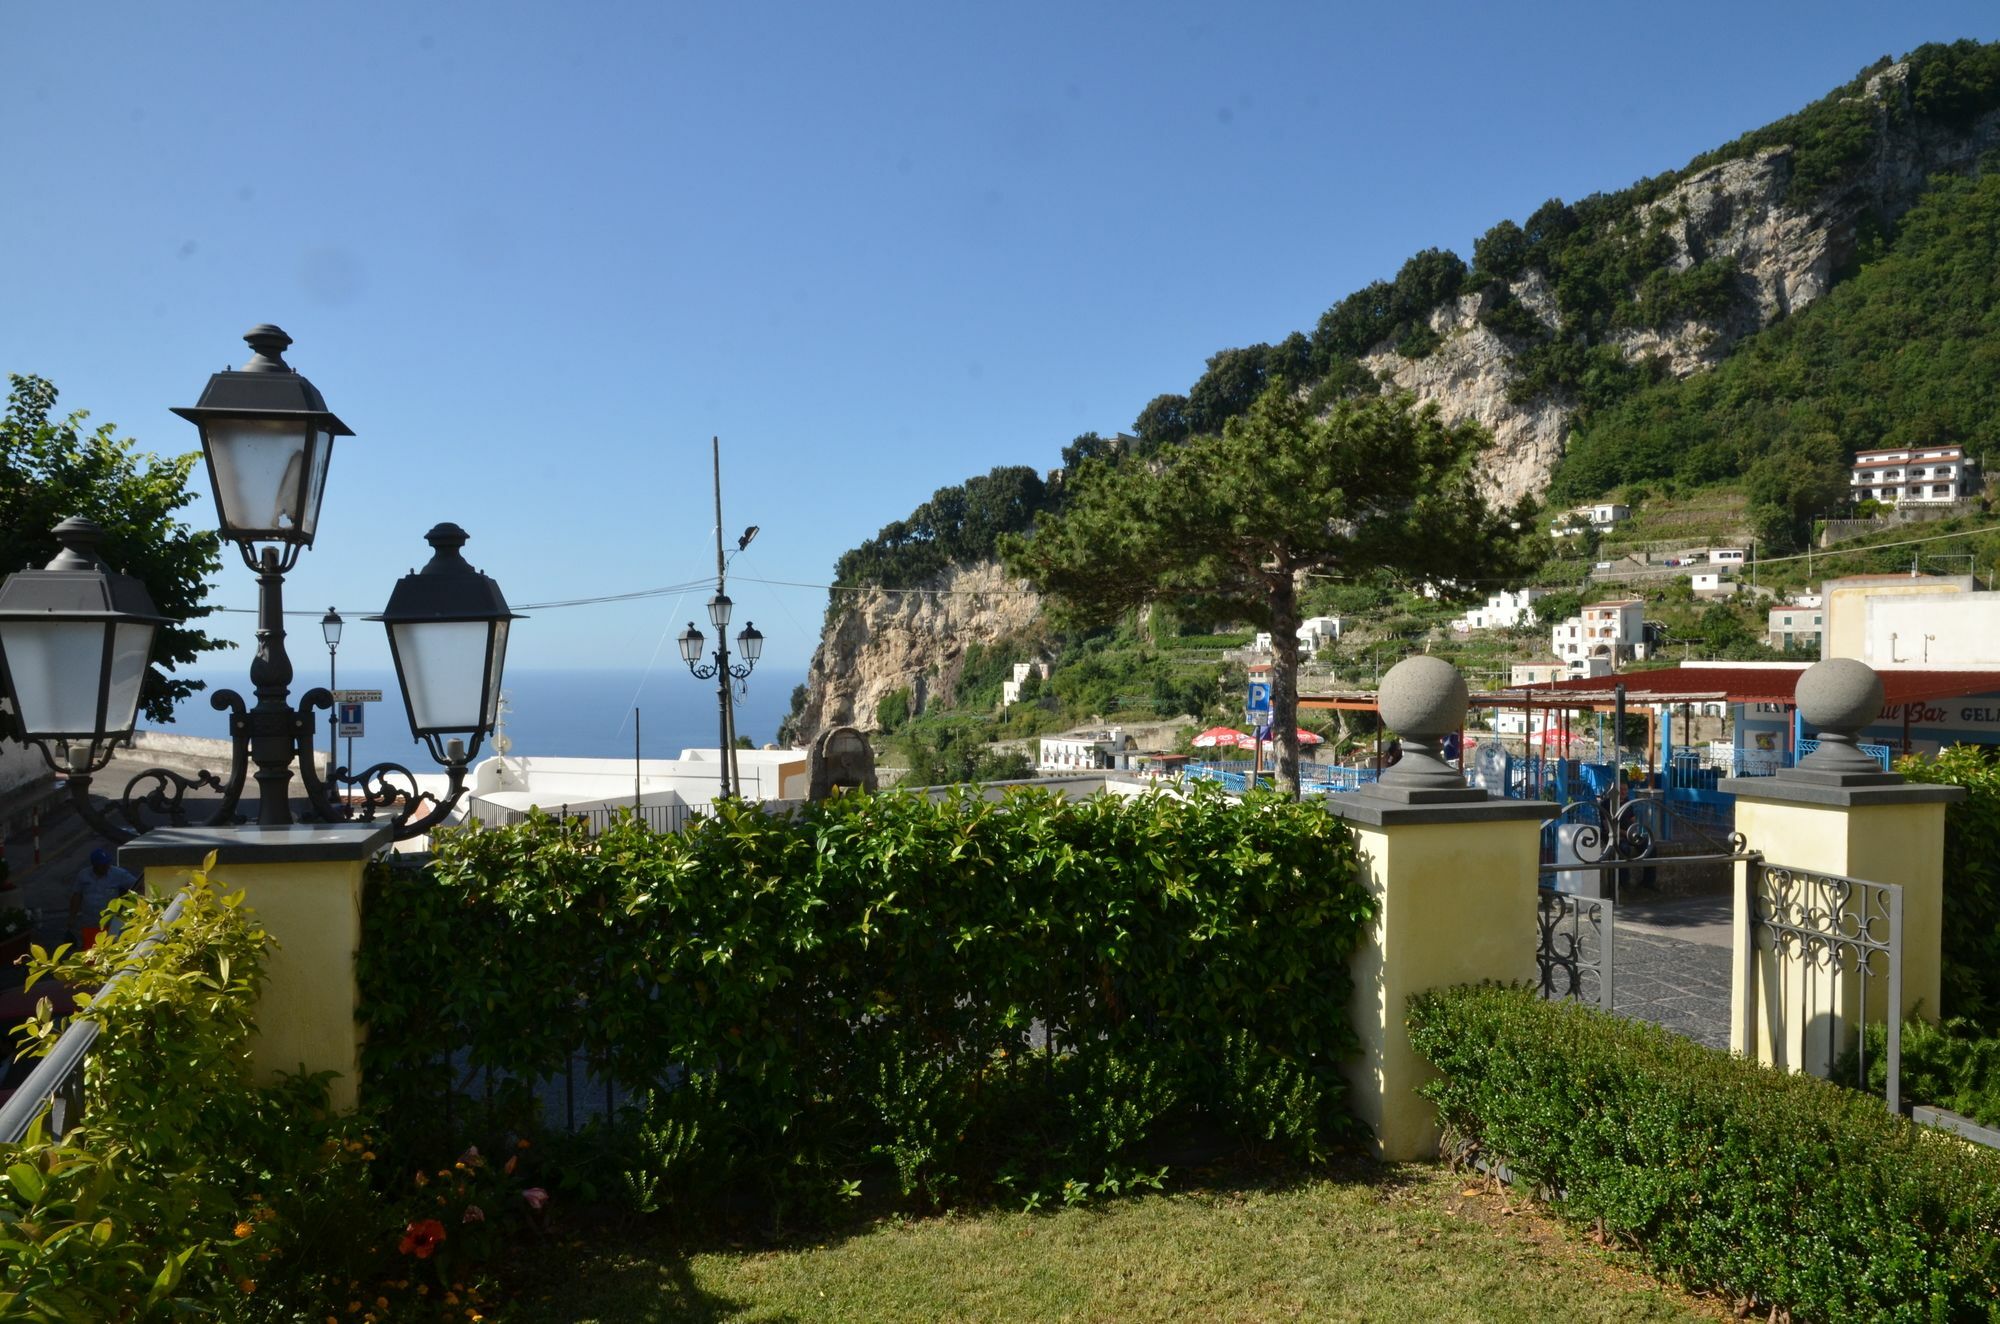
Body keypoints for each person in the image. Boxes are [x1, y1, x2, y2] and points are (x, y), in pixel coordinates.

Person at [69, 847, 140, 947]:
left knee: (112, 949)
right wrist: (72, 917)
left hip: (111, 923)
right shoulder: (83, 875)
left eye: (107, 864)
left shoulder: (119, 874)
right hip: (91, 922)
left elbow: (138, 886)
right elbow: (77, 896)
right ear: (94, 865)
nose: (105, 867)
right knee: (91, 953)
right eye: (102, 865)